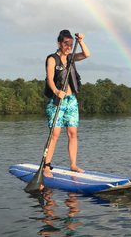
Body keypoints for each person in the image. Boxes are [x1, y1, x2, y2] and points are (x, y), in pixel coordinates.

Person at [43, 29, 90, 177]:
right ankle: (46, 166)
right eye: (66, 44)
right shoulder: (52, 59)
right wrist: (57, 91)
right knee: (55, 134)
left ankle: (73, 165)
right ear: (59, 44)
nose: (69, 47)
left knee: (73, 133)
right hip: (56, 101)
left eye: (70, 44)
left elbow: (86, 54)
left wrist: (80, 41)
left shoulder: (71, 58)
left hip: (71, 101)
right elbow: (50, 79)